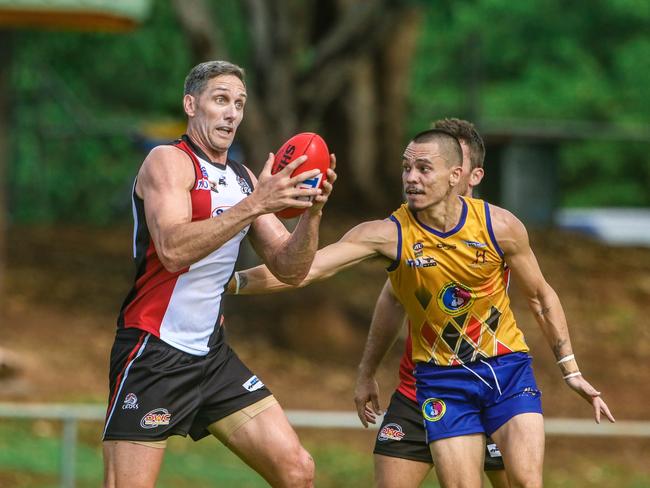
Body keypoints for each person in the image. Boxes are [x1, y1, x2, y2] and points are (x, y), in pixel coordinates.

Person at [229, 128, 614, 487]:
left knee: (527, 482)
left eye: (424, 169)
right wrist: (230, 283)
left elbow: (541, 297)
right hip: (441, 381)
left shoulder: (500, 226)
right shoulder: (388, 234)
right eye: (406, 167)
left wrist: (570, 369)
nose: (411, 177)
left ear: (456, 175)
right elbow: (305, 270)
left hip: (506, 369)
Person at [102, 60, 336, 488]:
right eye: (221, 100)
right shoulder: (168, 162)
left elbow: (289, 268)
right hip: (154, 349)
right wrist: (255, 205)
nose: (232, 113)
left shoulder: (245, 180)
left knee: (297, 470)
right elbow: (172, 249)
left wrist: (313, 214)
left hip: (212, 356)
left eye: (239, 104)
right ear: (191, 105)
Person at [354, 118, 510, 488]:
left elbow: (540, 296)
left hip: (486, 389)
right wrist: (366, 371)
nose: (420, 176)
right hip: (418, 389)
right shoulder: (408, 232)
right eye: (415, 166)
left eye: (434, 166)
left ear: (470, 175)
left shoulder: (497, 230)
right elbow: (393, 300)